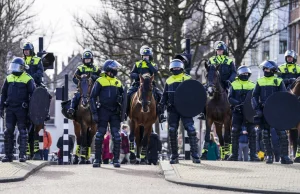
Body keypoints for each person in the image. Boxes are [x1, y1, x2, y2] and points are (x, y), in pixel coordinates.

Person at [158, 59, 201, 164]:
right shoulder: (168, 80)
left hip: (185, 109)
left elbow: (194, 93)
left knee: (191, 129)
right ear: (171, 68)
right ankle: (174, 155)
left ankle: (195, 155)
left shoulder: (188, 78)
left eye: (178, 67)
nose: (176, 68)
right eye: (174, 67)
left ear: (181, 68)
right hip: (172, 109)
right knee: (172, 131)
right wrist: (160, 107)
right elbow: (164, 96)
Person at [251, 60, 293, 164]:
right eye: (264, 68)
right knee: (265, 134)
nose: (265, 70)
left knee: (282, 134)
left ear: (273, 70)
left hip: (276, 111)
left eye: (267, 68)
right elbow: (254, 96)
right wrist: (257, 109)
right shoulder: (260, 81)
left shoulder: (278, 81)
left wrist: (282, 110)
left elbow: (283, 97)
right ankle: (269, 156)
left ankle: (285, 156)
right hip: (264, 111)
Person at [0, 57, 35, 162]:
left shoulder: (28, 79)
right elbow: (3, 94)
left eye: (17, 67)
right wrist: (1, 108)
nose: (14, 69)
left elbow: (33, 96)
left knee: (22, 132)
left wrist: (30, 111)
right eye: (13, 66)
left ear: (23, 68)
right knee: (8, 132)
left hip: (21, 109)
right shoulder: (8, 78)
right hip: (10, 109)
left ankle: (22, 155)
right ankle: (8, 155)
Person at [90, 60, 124, 168]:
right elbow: (92, 97)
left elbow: (124, 99)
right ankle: (97, 159)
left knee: (117, 136)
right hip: (103, 111)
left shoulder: (118, 82)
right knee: (100, 135)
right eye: (114, 68)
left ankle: (116, 160)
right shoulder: (100, 81)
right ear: (109, 69)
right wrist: (94, 112)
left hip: (115, 112)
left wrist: (124, 111)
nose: (116, 71)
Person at [227, 66, 259, 161]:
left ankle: (253, 155)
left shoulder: (253, 85)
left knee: (252, 131)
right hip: (238, 111)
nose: (245, 75)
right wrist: (237, 104)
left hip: (249, 113)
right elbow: (230, 98)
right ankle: (234, 155)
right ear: (239, 74)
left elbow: (254, 98)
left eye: (246, 74)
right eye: (243, 74)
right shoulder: (234, 84)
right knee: (234, 131)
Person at [126, 45, 166, 123]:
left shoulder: (153, 64)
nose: (145, 57)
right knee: (128, 94)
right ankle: (125, 112)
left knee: (161, 96)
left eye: (147, 56)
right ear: (142, 56)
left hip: (150, 85)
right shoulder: (137, 64)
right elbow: (132, 74)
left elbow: (155, 72)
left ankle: (161, 115)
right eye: (144, 56)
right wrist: (139, 76)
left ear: (150, 56)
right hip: (138, 84)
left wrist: (148, 64)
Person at [199, 41, 237, 120]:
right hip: (213, 83)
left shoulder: (229, 61)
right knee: (203, 91)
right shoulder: (211, 60)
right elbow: (208, 71)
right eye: (218, 50)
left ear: (224, 51)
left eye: (221, 50)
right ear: (216, 51)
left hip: (225, 83)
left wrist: (230, 80)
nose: (219, 51)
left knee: (233, 94)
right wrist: (209, 82)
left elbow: (234, 72)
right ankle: (203, 112)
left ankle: (233, 111)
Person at [68, 49, 101, 116]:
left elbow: (101, 78)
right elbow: (74, 78)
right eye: (86, 59)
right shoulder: (80, 68)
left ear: (91, 60)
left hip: (94, 88)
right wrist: (80, 84)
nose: (87, 61)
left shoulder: (96, 68)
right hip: (83, 89)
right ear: (83, 60)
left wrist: (95, 77)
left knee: (101, 96)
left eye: (88, 59)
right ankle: (72, 108)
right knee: (76, 96)